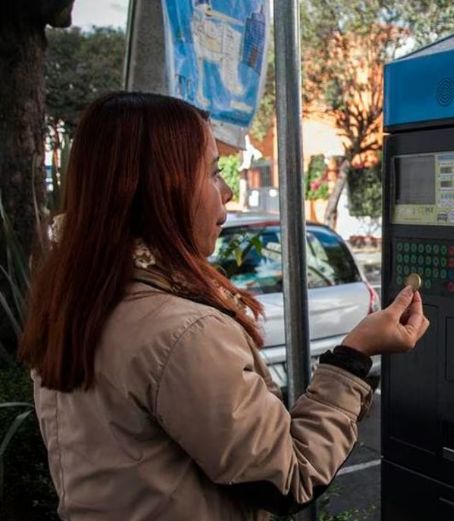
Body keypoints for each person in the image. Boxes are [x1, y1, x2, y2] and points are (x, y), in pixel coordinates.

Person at [17, 91, 429, 520]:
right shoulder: (179, 332)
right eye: (213, 173)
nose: (228, 192)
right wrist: (354, 355)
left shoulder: (75, 300)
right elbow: (291, 476)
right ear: (162, 189)